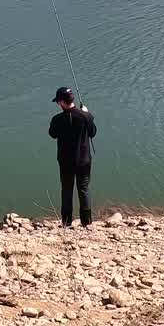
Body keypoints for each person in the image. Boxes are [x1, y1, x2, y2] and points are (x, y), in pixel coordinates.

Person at [48, 87, 96, 226]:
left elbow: (52, 134)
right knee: (84, 188)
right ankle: (86, 222)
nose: (58, 104)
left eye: (58, 101)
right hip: (84, 160)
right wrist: (87, 113)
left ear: (62, 102)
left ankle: (66, 222)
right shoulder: (86, 116)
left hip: (65, 161)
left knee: (67, 190)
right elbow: (93, 133)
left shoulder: (57, 119)